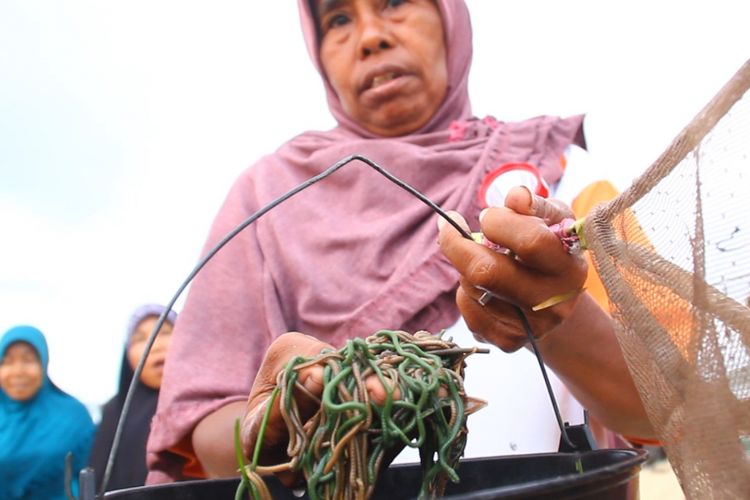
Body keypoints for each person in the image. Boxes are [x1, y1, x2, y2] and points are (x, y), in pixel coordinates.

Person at [146, 0, 654, 483]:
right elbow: (208, 428)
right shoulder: (266, 200)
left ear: (449, 18)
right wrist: (284, 423)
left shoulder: (555, 174)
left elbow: (663, 406)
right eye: (339, 18)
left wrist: (560, 315)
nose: (370, 37)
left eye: (394, 3)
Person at [0, 325, 95, 500]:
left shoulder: (74, 418)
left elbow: (92, 475)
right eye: (7, 361)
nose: (18, 371)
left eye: (28, 360)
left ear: (43, 363)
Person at [89, 304, 177, 491]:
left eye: (165, 332)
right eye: (140, 338)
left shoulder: (206, 404)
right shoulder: (115, 412)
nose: (155, 345)